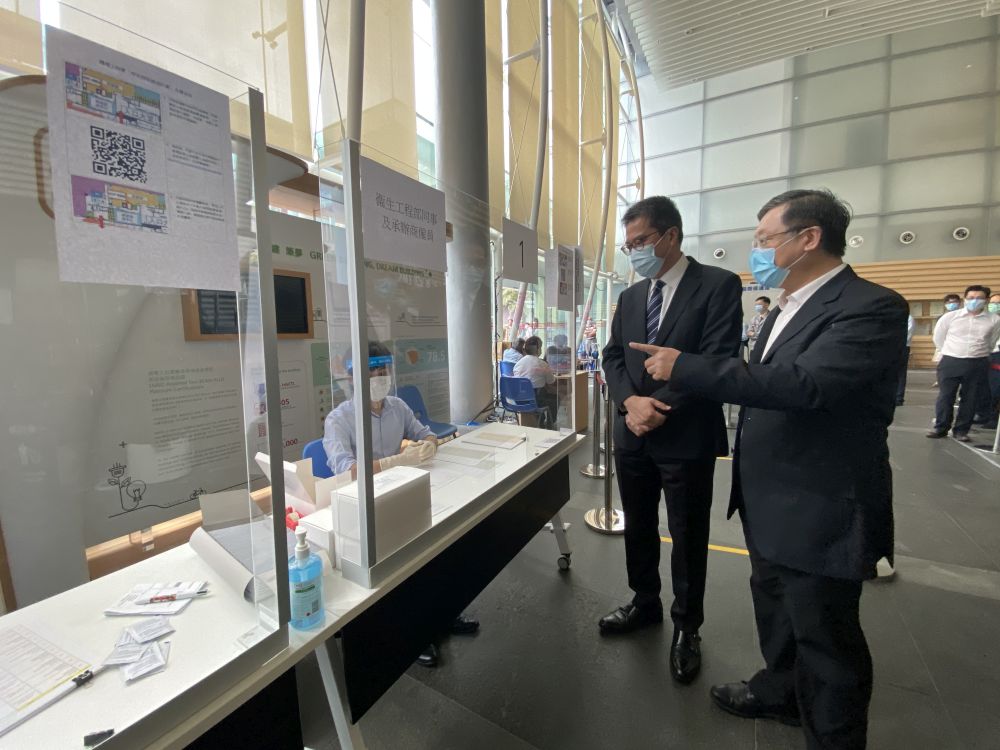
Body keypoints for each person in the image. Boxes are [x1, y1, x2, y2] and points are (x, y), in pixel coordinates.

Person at [628, 189, 908, 749]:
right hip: (768, 497)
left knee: (826, 639)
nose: (756, 252)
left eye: (765, 240)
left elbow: (806, 385)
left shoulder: (870, 307)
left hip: (819, 503)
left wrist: (686, 367)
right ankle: (780, 690)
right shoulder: (785, 306)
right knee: (776, 610)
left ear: (809, 239)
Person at [598, 195, 742, 686]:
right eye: (629, 244)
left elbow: (719, 360)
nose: (634, 251)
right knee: (638, 524)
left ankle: (687, 626)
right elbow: (613, 356)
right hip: (632, 434)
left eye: (641, 241)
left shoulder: (718, 285)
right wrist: (629, 403)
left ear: (670, 236)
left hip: (685, 433)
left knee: (687, 532)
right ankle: (644, 602)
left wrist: (656, 408)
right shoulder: (631, 297)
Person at [323, 341, 479, 666]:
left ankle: (442, 614)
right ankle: (415, 633)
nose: (380, 376)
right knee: (403, 564)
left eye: (384, 369)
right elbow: (345, 472)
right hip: (364, 508)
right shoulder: (339, 419)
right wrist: (393, 462)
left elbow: (425, 432)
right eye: (372, 371)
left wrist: (430, 443)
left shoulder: (397, 407)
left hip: (401, 493)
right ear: (353, 377)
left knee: (437, 545)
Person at [927, 285, 1000, 442]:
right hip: (951, 360)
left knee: (970, 398)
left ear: (986, 300)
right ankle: (941, 427)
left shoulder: (994, 320)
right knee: (946, 396)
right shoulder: (950, 317)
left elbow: (992, 341)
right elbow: (938, 337)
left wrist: (980, 353)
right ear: (965, 299)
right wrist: (949, 351)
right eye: (971, 298)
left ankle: (961, 430)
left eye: (979, 298)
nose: (974, 301)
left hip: (978, 362)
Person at [512, 335, 557, 426]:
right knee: (555, 398)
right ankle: (549, 424)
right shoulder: (542, 364)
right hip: (536, 401)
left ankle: (540, 420)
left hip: (519, 400)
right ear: (537, 349)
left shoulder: (518, 364)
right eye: (540, 347)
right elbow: (551, 381)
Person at [895, 313, 915, 406]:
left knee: (901, 373)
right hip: (888, 346)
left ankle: (899, 398)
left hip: (902, 346)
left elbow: (908, 333)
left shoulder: (909, 318)